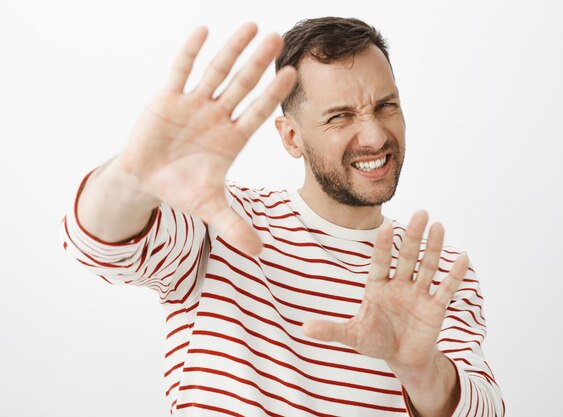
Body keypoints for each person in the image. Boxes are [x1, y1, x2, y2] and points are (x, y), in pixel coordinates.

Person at [60, 17, 504, 417]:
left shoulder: (440, 271)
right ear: (291, 137)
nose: (373, 134)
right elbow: (99, 245)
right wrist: (134, 177)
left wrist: (423, 370)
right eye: (340, 116)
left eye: (386, 105)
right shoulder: (223, 222)